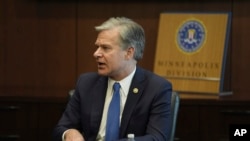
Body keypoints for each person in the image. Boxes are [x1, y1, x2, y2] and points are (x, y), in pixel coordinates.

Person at [53, 17, 172, 141]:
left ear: (129, 52)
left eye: (105, 48)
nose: (96, 54)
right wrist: (69, 133)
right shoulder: (86, 83)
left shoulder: (156, 88)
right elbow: (61, 128)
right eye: (97, 47)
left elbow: (157, 138)